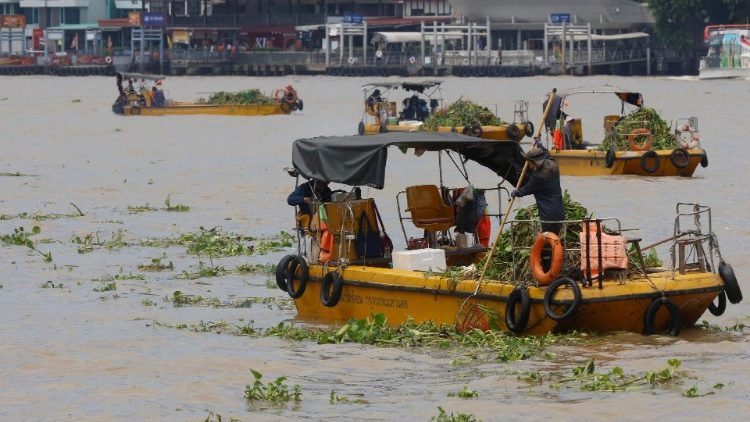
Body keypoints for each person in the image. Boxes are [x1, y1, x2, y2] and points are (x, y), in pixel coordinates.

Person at [511, 147, 564, 235]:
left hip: (548, 215)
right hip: (559, 212)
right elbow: (546, 153)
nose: (530, 166)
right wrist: (540, 145)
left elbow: (527, 189)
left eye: (530, 163)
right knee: (558, 236)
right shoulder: (553, 163)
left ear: (536, 162)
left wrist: (516, 192)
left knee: (548, 237)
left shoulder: (540, 176)